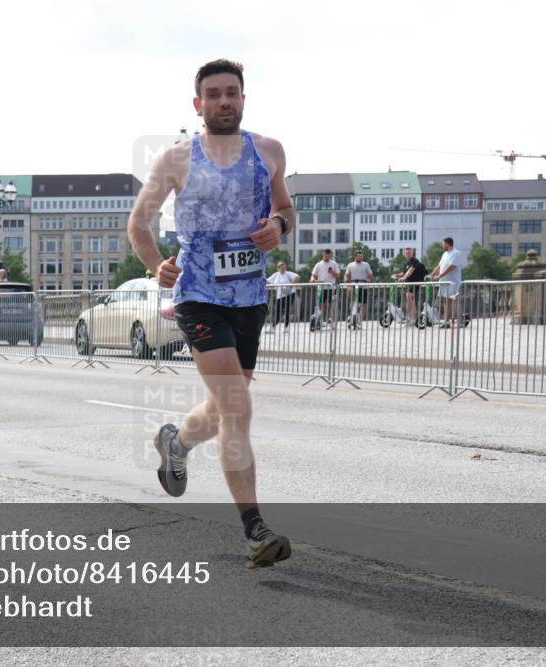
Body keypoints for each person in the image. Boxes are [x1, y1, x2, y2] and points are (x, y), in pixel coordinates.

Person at [127, 59, 293, 569]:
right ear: (198, 104)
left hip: (250, 297)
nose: (224, 101)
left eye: (232, 93)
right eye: (214, 94)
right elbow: (139, 224)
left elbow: (285, 208)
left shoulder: (269, 152)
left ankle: (176, 441)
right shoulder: (177, 159)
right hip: (200, 297)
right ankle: (255, 531)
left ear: (244, 99)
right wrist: (158, 267)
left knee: (225, 408)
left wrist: (280, 229)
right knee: (238, 409)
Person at [429, 237, 463, 328]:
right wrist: (431, 275)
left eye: (443, 244)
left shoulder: (456, 253)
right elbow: (439, 266)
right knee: (445, 301)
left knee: (450, 301)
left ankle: (449, 321)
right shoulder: (444, 254)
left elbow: (451, 267)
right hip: (444, 282)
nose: (443, 246)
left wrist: (440, 276)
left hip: (452, 282)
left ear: (447, 244)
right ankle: (447, 321)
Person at [309, 248, 340, 330]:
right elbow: (313, 275)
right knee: (320, 305)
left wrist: (332, 272)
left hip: (331, 287)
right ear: (323, 255)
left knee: (331, 305)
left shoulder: (333, 264)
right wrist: (312, 279)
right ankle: (320, 320)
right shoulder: (318, 264)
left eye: (328, 255)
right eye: (325, 255)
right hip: (321, 287)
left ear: (330, 255)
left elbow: (338, 275)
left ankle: (332, 321)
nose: (327, 257)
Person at [393, 247, 427, 319]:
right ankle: (412, 317)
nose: (407, 254)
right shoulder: (406, 264)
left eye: (409, 253)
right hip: (409, 284)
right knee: (410, 299)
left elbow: (411, 270)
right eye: (406, 253)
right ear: (404, 254)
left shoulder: (415, 261)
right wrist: (396, 275)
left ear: (412, 253)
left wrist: (403, 278)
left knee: (409, 296)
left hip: (415, 282)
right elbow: (403, 273)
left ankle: (411, 317)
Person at [266, 261, 299, 333]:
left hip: (289, 294)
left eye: (284, 267)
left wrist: (290, 286)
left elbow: (297, 277)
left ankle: (286, 327)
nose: (282, 268)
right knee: (278, 311)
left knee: (287, 311)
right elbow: (267, 281)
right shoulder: (276, 275)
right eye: (281, 267)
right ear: (278, 268)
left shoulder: (288, 273)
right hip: (279, 296)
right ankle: (273, 327)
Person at [343, 249, 374, 327]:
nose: (360, 258)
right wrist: (347, 284)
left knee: (363, 304)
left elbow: (370, 274)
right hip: (353, 285)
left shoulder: (366, 264)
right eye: (359, 256)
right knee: (354, 303)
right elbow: (346, 275)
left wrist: (369, 279)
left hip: (363, 285)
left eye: (361, 256)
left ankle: (359, 320)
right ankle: (353, 316)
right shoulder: (350, 265)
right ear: (355, 257)